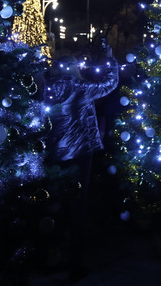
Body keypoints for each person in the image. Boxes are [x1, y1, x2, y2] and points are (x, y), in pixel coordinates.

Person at [41, 48, 119, 282]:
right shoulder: (79, 87)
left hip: (54, 155)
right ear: (75, 68)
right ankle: (74, 263)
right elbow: (110, 83)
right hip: (81, 153)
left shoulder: (46, 88)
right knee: (77, 204)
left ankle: (51, 257)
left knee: (54, 204)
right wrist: (111, 61)